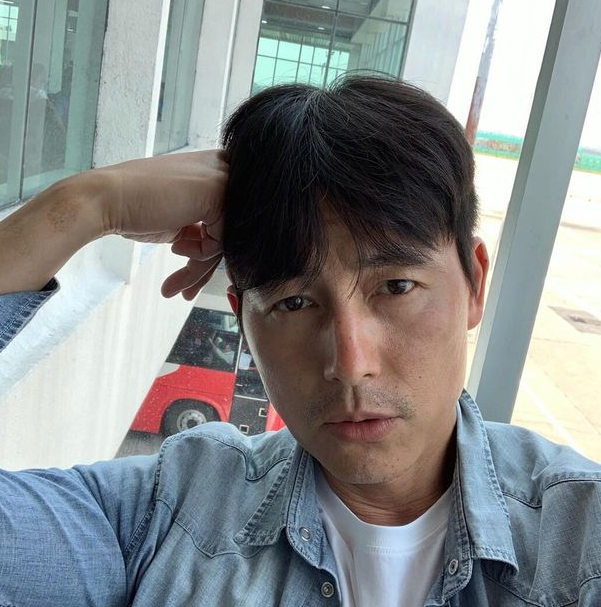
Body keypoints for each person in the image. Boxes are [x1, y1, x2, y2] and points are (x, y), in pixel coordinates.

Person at [0, 76, 600, 606]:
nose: (350, 363)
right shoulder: (165, 515)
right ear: (244, 322)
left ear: (474, 285)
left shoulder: (581, 540)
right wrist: (83, 205)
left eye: (396, 287)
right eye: (293, 303)